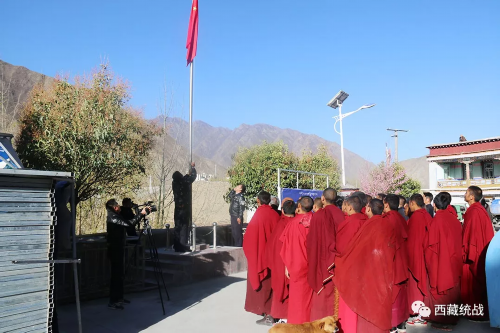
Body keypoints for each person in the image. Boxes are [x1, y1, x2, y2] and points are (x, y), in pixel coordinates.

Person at [333, 199, 396, 333]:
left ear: (368, 209)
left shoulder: (369, 226)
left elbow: (357, 250)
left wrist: (342, 261)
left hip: (370, 269)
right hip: (384, 269)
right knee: (380, 301)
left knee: (369, 301)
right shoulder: (388, 224)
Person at [423, 192, 462, 330]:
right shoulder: (455, 220)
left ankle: (443, 321)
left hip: (440, 262)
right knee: (452, 290)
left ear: (434, 205)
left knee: (441, 289)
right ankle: (452, 318)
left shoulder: (436, 221)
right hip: (454, 260)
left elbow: (430, 246)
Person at [307, 188, 345, 321]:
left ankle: (321, 325)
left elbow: (312, 241)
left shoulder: (318, 215)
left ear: (323, 199)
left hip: (322, 262)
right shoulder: (342, 214)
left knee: (323, 295)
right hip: (339, 262)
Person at [243, 191, 280, 325]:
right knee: (272, 286)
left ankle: (267, 313)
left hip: (261, 257)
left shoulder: (258, 215)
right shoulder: (275, 215)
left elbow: (248, 240)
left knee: (264, 286)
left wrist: (253, 257)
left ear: (258, 201)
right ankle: (271, 312)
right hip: (273, 257)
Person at [106, 199, 148, 309]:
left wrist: (138, 213)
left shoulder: (116, 215)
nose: (120, 206)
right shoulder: (113, 218)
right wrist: (142, 214)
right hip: (115, 249)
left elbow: (130, 220)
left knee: (120, 275)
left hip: (118, 248)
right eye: (118, 205)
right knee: (116, 276)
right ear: (114, 207)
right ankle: (113, 301)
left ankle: (119, 298)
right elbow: (129, 224)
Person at [280, 196, 314, 324]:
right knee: (310, 299)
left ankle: (296, 325)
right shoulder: (316, 221)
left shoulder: (293, 223)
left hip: (297, 265)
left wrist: (287, 266)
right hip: (312, 266)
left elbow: (287, 247)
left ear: (299, 206)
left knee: (297, 299)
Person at [462, 186, 494, 320]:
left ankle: (475, 313)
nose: (464, 194)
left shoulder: (475, 212)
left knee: (472, 283)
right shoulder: (479, 210)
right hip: (482, 250)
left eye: (466, 192)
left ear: (471, 197)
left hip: (475, 252)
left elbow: (472, 236)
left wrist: (468, 252)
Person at [382, 194, 409, 333]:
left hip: (391, 261)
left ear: (386, 204)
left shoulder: (386, 220)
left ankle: (392, 324)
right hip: (402, 260)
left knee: (391, 293)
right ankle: (401, 323)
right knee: (401, 292)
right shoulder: (401, 218)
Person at [266, 198, 295, 323]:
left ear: (282, 211)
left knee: (280, 289)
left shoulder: (281, 224)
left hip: (280, 264)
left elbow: (273, 246)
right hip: (294, 264)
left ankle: (280, 316)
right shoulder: (297, 223)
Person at [406, 194, 432, 326]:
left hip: (416, 255)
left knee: (416, 284)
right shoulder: (426, 214)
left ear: (411, 203)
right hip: (425, 254)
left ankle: (416, 311)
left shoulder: (416, 217)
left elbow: (412, 241)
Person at [172, 162, 197, 252]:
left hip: (178, 208)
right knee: (183, 227)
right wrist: (193, 168)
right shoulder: (182, 182)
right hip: (183, 208)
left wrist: (187, 174)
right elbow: (192, 178)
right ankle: (182, 245)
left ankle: (177, 245)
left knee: (177, 227)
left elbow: (184, 179)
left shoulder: (175, 183)